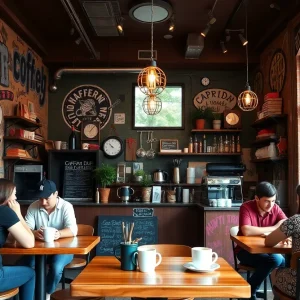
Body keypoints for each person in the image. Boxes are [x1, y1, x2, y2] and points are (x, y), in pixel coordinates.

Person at [20, 179, 78, 300]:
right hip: (40, 250)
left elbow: (73, 230)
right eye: (41, 198)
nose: (43, 202)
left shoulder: (66, 206)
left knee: (56, 267)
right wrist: (35, 233)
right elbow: (26, 228)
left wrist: (59, 234)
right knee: (25, 264)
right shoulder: (33, 206)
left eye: (47, 198)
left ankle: (47, 294)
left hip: (64, 249)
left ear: (56, 194)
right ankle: (29, 295)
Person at [236, 181, 287, 300]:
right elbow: (246, 230)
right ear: (257, 198)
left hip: (266, 250)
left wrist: (275, 230)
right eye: (267, 201)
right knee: (277, 259)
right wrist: (274, 228)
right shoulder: (246, 207)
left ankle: (278, 295)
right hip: (245, 251)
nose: (271, 205)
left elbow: (285, 223)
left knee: (283, 262)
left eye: (273, 201)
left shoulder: (275, 207)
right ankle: (250, 290)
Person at [0, 178, 35, 300]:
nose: (15, 198)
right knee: (30, 273)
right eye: (14, 194)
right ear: (6, 195)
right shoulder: (4, 212)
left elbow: (10, 240)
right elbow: (30, 243)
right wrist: (18, 214)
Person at [265, 184, 300, 298]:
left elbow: (268, 242)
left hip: (297, 286)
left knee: (275, 272)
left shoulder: (295, 221)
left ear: (298, 199)